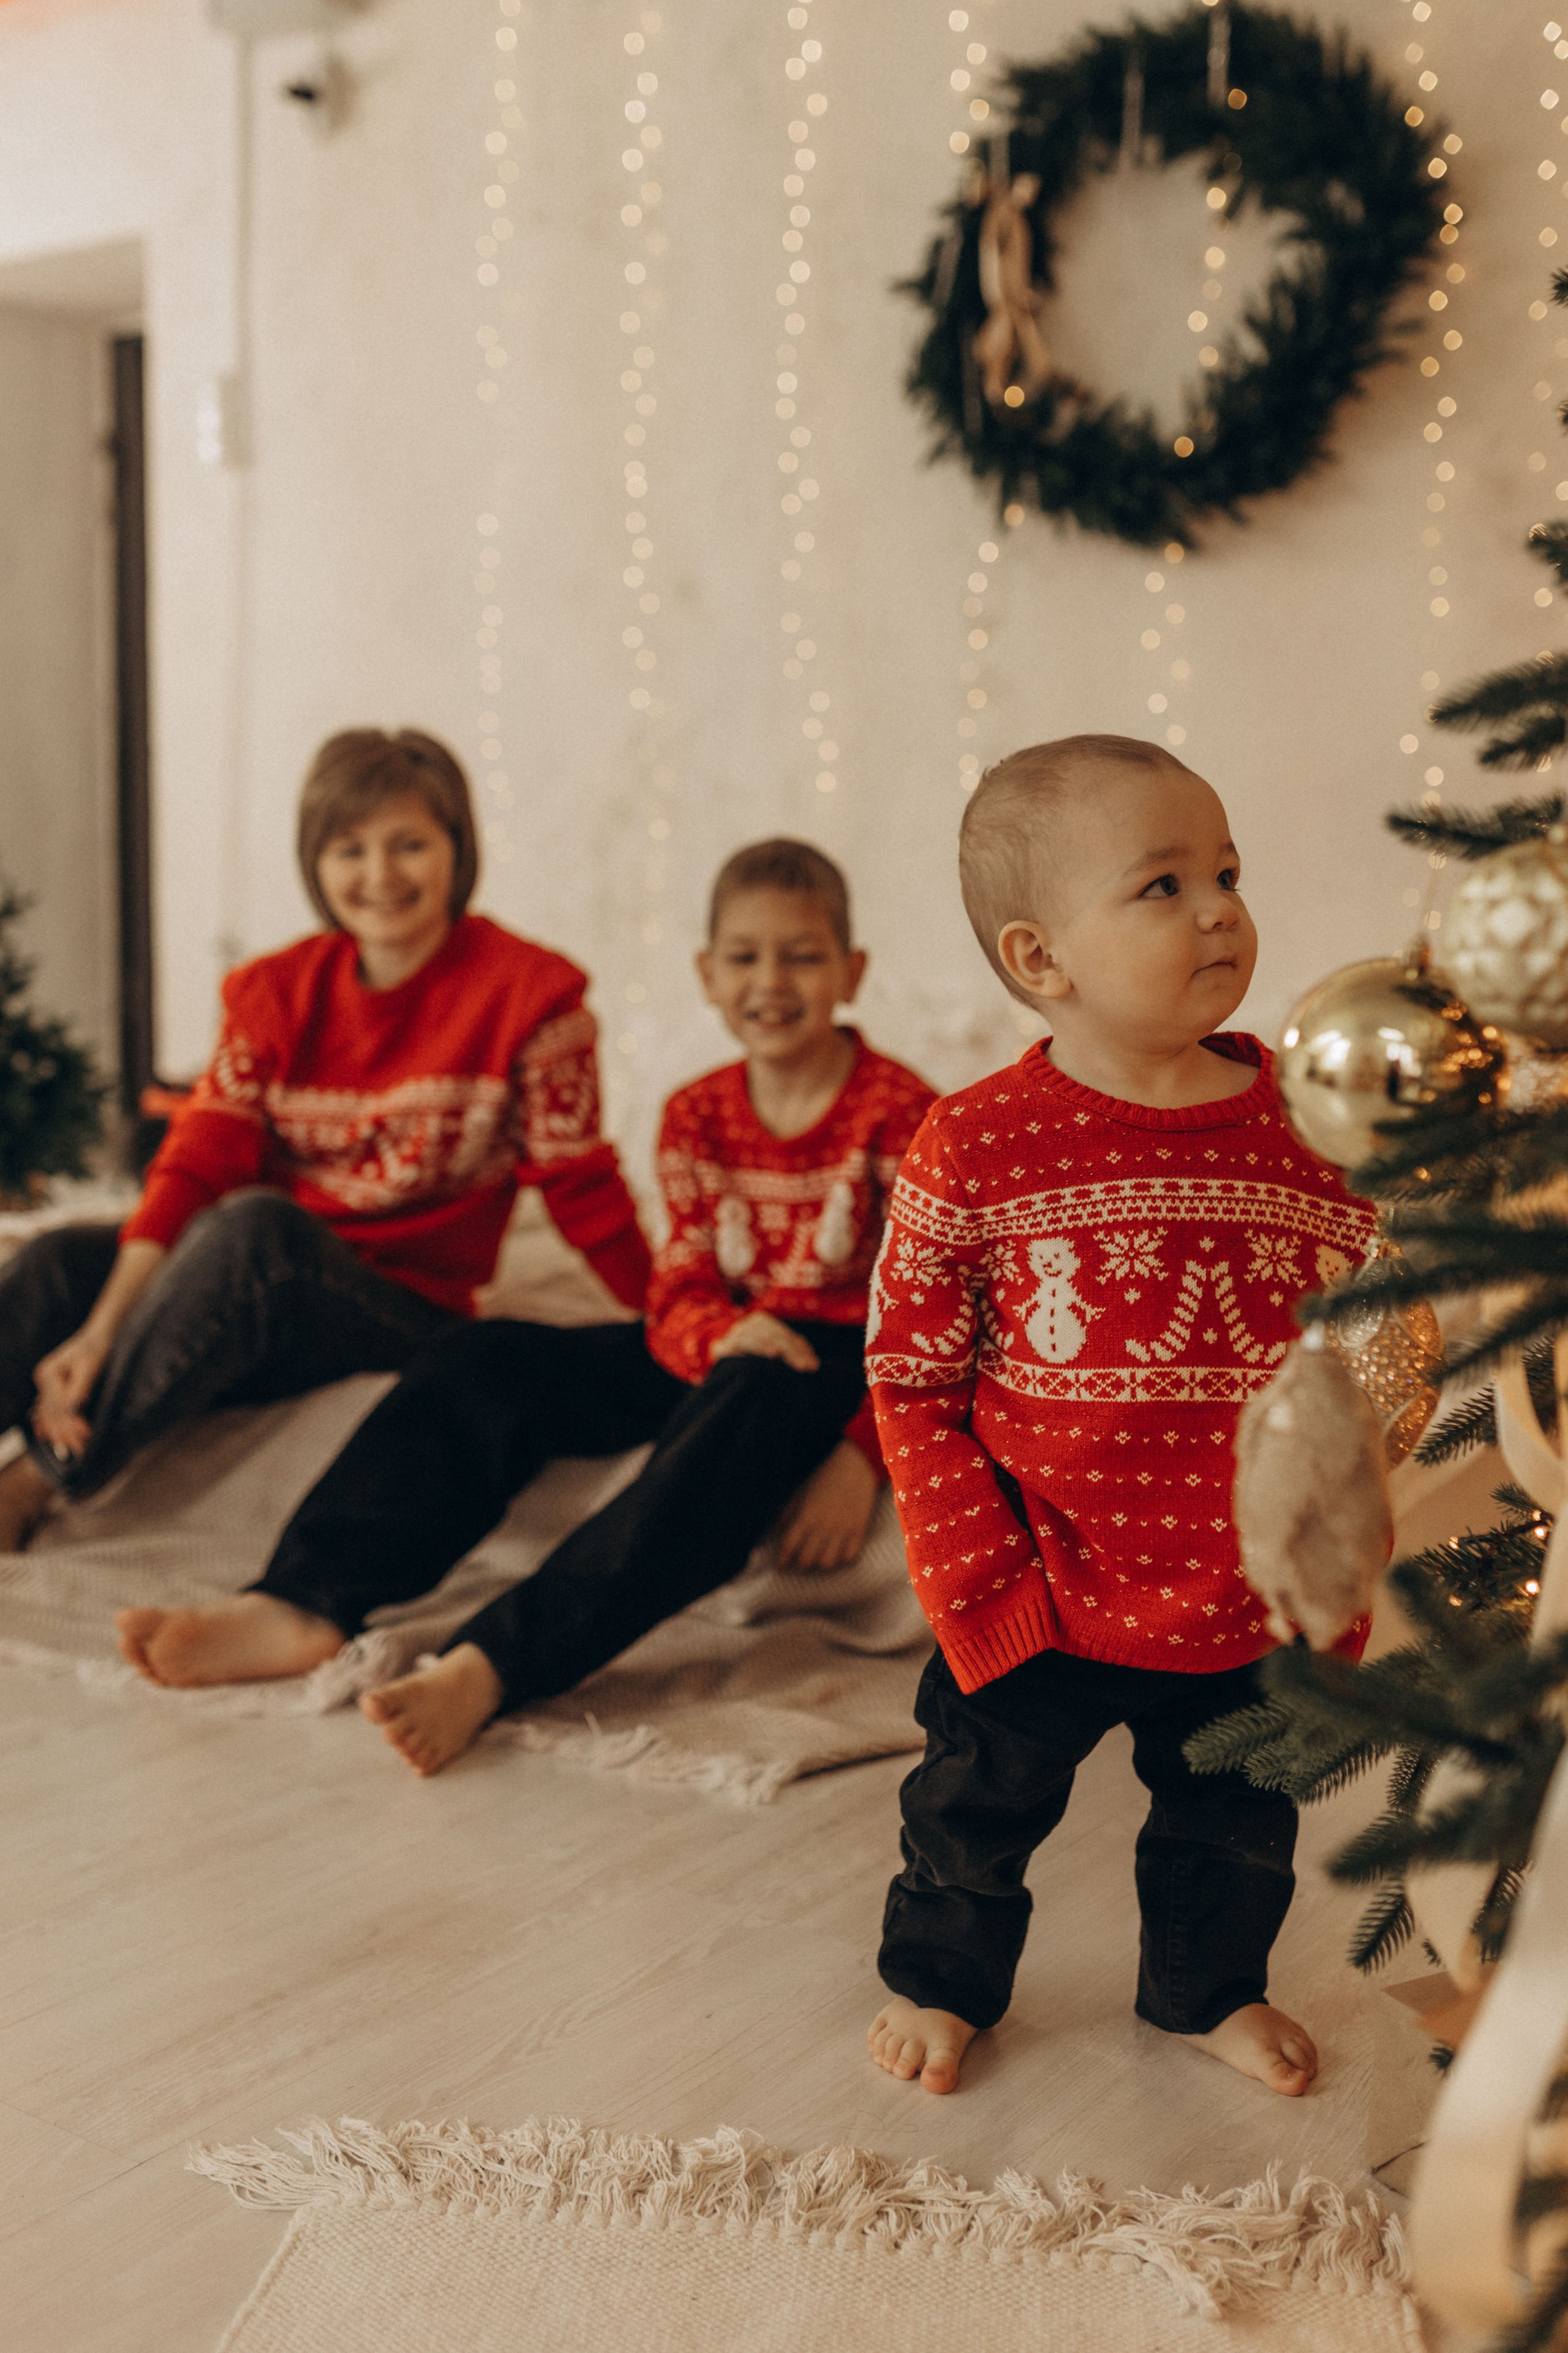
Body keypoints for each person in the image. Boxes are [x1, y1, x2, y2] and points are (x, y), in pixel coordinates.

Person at [118, 839, 938, 1775]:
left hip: (833, 1359)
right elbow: (678, 1289)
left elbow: (935, 1317)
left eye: (803, 956)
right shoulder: (696, 1112)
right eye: (745, 957)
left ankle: (493, 1663)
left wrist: (862, 1451)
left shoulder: (907, 1115)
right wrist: (716, 1333)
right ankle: (304, 1598)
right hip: (716, 1335)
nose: (772, 982)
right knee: (488, 1357)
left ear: (851, 972)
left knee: (738, 1412)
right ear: (708, 974)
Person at [863, 735, 1378, 2102]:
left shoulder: (1309, 1133)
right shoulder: (974, 1144)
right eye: (1163, 885)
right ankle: (942, 1980)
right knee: (972, 1810)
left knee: (1232, 1826)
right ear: (1041, 958)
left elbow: (1369, 1357)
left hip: (1245, 1587)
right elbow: (910, 1379)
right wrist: (976, 1573)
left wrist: (1332, 1568)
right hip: (1042, 1575)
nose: (1218, 910)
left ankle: (1207, 1991)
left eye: (1226, 874)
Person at [0, 728, 648, 1552]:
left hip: (401, 1303)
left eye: (409, 844)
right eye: (350, 849)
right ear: (316, 862)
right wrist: (101, 1326)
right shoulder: (271, 992)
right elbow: (196, 1164)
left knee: (257, 1231)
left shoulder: (534, 998)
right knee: (59, 1261)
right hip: (243, 1289)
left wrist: (672, 1314)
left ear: (458, 848)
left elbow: (581, 1187)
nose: (380, 875)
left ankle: (34, 1482)